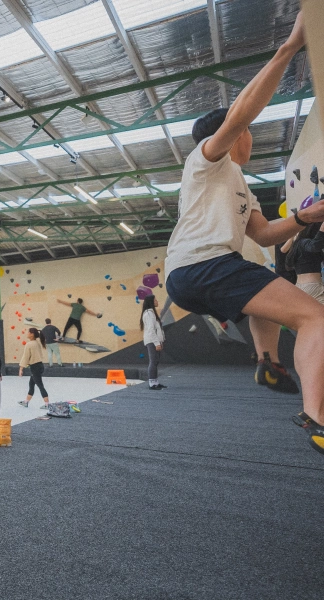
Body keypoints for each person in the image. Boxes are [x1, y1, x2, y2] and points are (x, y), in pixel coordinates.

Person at [163, 12, 324, 454]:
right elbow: (240, 114)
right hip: (204, 266)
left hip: (194, 276)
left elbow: (269, 234)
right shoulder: (208, 158)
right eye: (245, 131)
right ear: (230, 134)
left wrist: (308, 217)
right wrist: (289, 48)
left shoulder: (240, 186)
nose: (249, 136)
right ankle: (317, 417)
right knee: (315, 317)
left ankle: (268, 362)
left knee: (262, 287)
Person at [284, 222, 324, 304]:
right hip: (313, 286)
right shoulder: (304, 243)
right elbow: (315, 246)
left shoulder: (297, 244)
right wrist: (322, 230)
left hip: (300, 287)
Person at [140, 296, 166, 390]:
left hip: (155, 341)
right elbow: (151, 330)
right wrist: (156, 343)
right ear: (151, 301)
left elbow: (158, 329)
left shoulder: (152, 313)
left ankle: (155, 382)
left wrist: (160, 341)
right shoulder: (148, 314)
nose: (157, 301)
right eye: (155, 300)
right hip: (151, 341)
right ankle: (152, 383)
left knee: (156, 361)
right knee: (153, 361)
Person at [18, 328, 49, 409]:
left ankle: (47, 404)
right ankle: (26, 402)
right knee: (31, 384)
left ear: (32, 334)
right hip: (40, 366)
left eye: (28, 332)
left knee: (40, 385)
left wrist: (21, 368)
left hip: (35, 367)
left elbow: (25, 357)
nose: (27, 333)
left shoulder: (29, 344)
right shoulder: (37, 343)